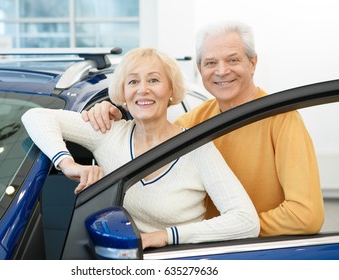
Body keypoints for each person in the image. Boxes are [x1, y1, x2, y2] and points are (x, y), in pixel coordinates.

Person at [81, 20, 325, 237]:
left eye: (233, 60)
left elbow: (305, 215)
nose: (221, 71)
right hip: (196, 252)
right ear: (200, 69)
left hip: (255, 252)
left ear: (253, 63)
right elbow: (146, 148)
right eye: (210, 62)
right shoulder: (191, 122)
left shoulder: (283, 120)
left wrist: (231, 229)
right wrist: (107, 113)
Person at [22, 47, 259, 249]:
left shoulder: (197, 149)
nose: (142, 89)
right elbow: (35, 116)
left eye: (154, 80)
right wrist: (68, 164)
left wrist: (164, 236)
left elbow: (246, 221)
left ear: (171, 91)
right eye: (133, 81)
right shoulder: (108, 133)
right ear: (123, 94)